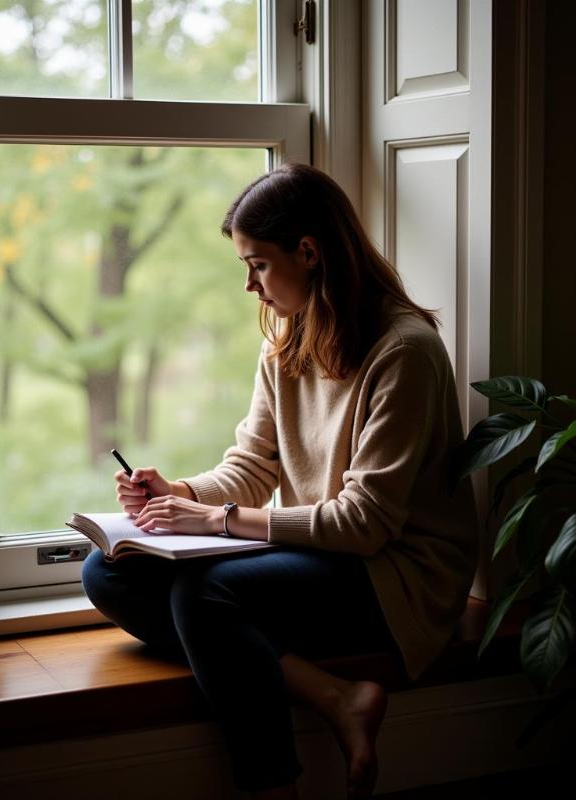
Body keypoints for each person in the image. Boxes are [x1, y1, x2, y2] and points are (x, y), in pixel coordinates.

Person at [81, 162, 480, 800]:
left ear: (309, 252)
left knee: (201, 597)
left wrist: (214, 521)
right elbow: (255, 466)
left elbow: (366, 523)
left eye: (258, 264)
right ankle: (334, 695)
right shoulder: (286, 343)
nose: (250, 285)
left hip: (397, 573)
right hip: (322, 552)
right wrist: (179, 493)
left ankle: (272, 785)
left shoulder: (404, 353)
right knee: (106, 571)